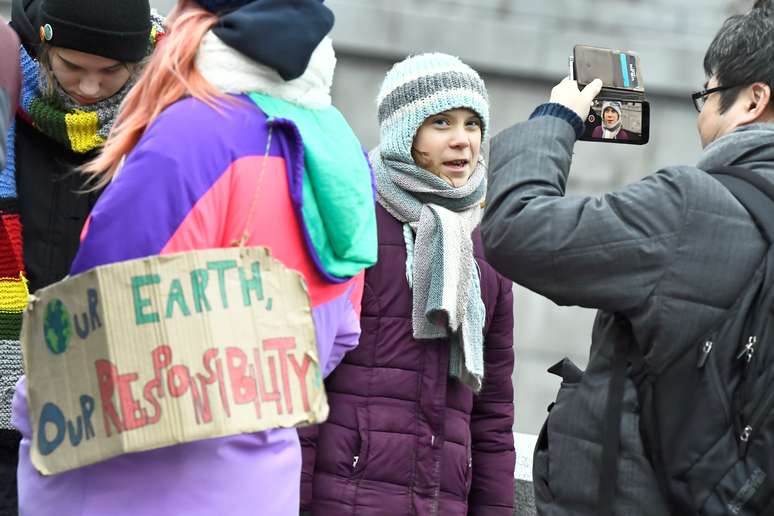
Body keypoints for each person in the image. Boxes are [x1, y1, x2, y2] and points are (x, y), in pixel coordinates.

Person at [11, 0, 377, 514]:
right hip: (261, 480)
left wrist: (28, 403)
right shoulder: (342, 150)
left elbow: (94, 336)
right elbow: (341, 333)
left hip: (139, 486)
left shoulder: (190, 137)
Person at [481, 1, 774, 514]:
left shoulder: (692, 206)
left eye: (706, 95)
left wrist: (556, 118)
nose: (703, 115)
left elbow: (517, 226)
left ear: (752, 101)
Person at [301, 53, 516, 515]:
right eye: (441, 123)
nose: (463, 141)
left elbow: (494, 414)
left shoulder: (487, 239)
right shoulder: (353, 215)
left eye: (472, 124)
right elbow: (303, 376)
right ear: (405, 130)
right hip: (345, 498)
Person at [1, 1, 161, 514]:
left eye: (110, 71)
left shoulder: (169, 117)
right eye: (72, 67)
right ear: (42, 46)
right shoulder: (4, 89)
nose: (89, 88)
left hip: (109, 412)